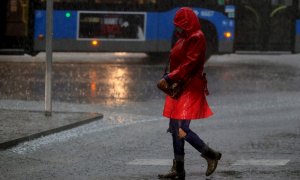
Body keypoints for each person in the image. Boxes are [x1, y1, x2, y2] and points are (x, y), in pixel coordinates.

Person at [157, 7, 221, 179]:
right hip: (179, 87)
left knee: (180, 129)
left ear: (188, 23)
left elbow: (189, 64)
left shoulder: (196, 37)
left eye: (181, 25)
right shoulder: (184, 38)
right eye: (177, 25)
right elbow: (177, 63)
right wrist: (169, 76)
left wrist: (169, 78)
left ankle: (209, 154)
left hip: (190, 88)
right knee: (175, 128)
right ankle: (179, 169)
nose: (178, 29)